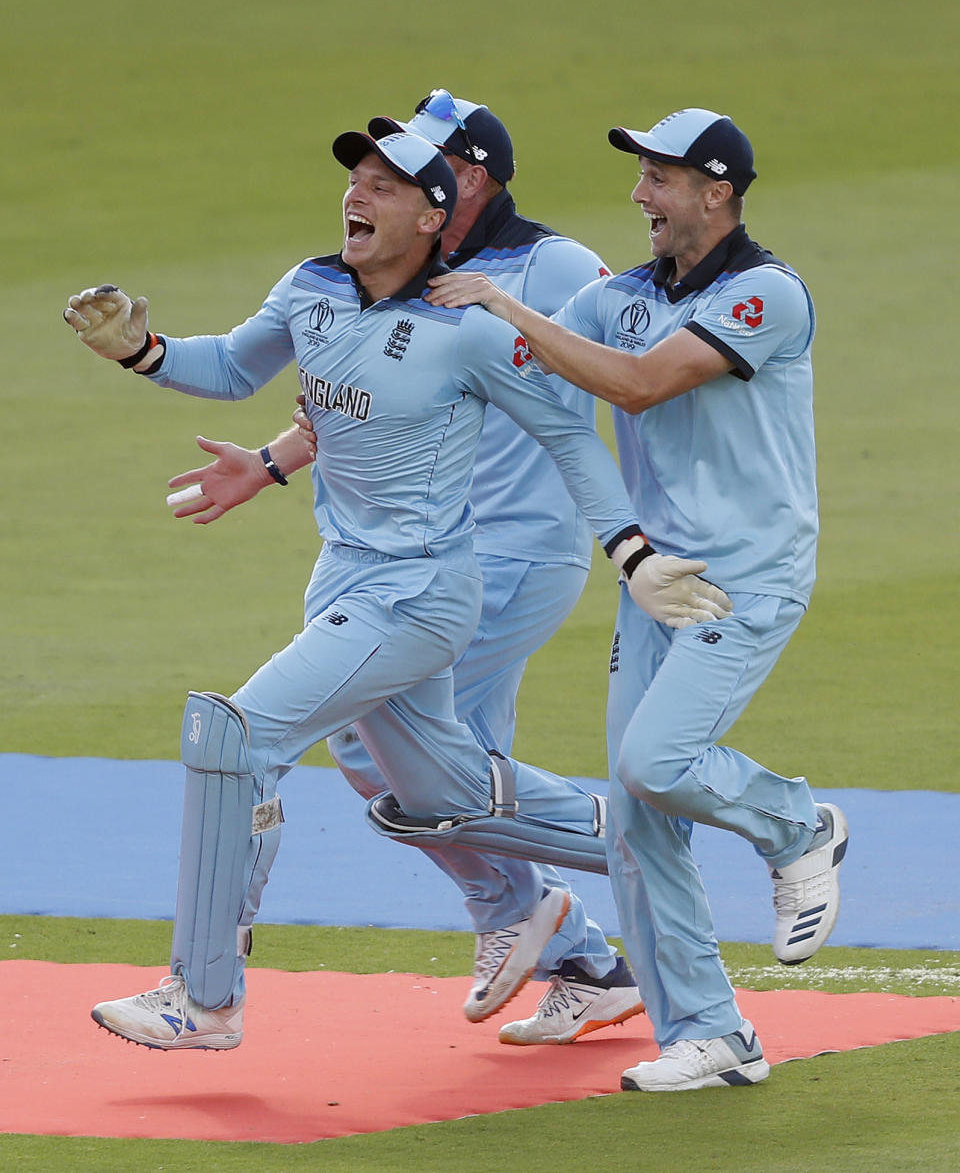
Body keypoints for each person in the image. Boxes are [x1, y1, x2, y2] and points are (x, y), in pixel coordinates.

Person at [63, 127, 731, 1052]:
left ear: (432, 216)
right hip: (344, 578)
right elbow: (232, 366)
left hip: (418, 594)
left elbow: (572, 435)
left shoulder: (470, 328)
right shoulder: (311, 289)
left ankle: (204, 997)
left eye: (384, 185)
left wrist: (631, 553)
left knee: (235, 738)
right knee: (442, 791)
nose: (358, 195)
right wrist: (143, 350)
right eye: (354, 180)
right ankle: (673, 832)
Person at [167, 90, 646, 1047]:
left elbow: (626, 368)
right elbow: (360, 402)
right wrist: (269, 463)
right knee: (413, 764)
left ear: (467, 178)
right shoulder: (393, 275)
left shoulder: (545, 264)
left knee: (421, 767)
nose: (380, 182)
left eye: (415, 162)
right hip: (435, 549)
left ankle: (568, 901)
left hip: (511, 548)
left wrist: (641, 528)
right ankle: (578, 941)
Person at [427, 107, 850, 1091]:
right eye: (641, 176)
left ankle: (798, 826)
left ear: (716, 191)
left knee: (656, 763)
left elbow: (643, 385)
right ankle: (711, 1033)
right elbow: (508, 364)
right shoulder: (622, 295)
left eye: (659, 177)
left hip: (745, 575)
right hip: (653, 582)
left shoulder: (766, 295)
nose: (640, 196)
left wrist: (510, 306)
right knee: (634, 815)